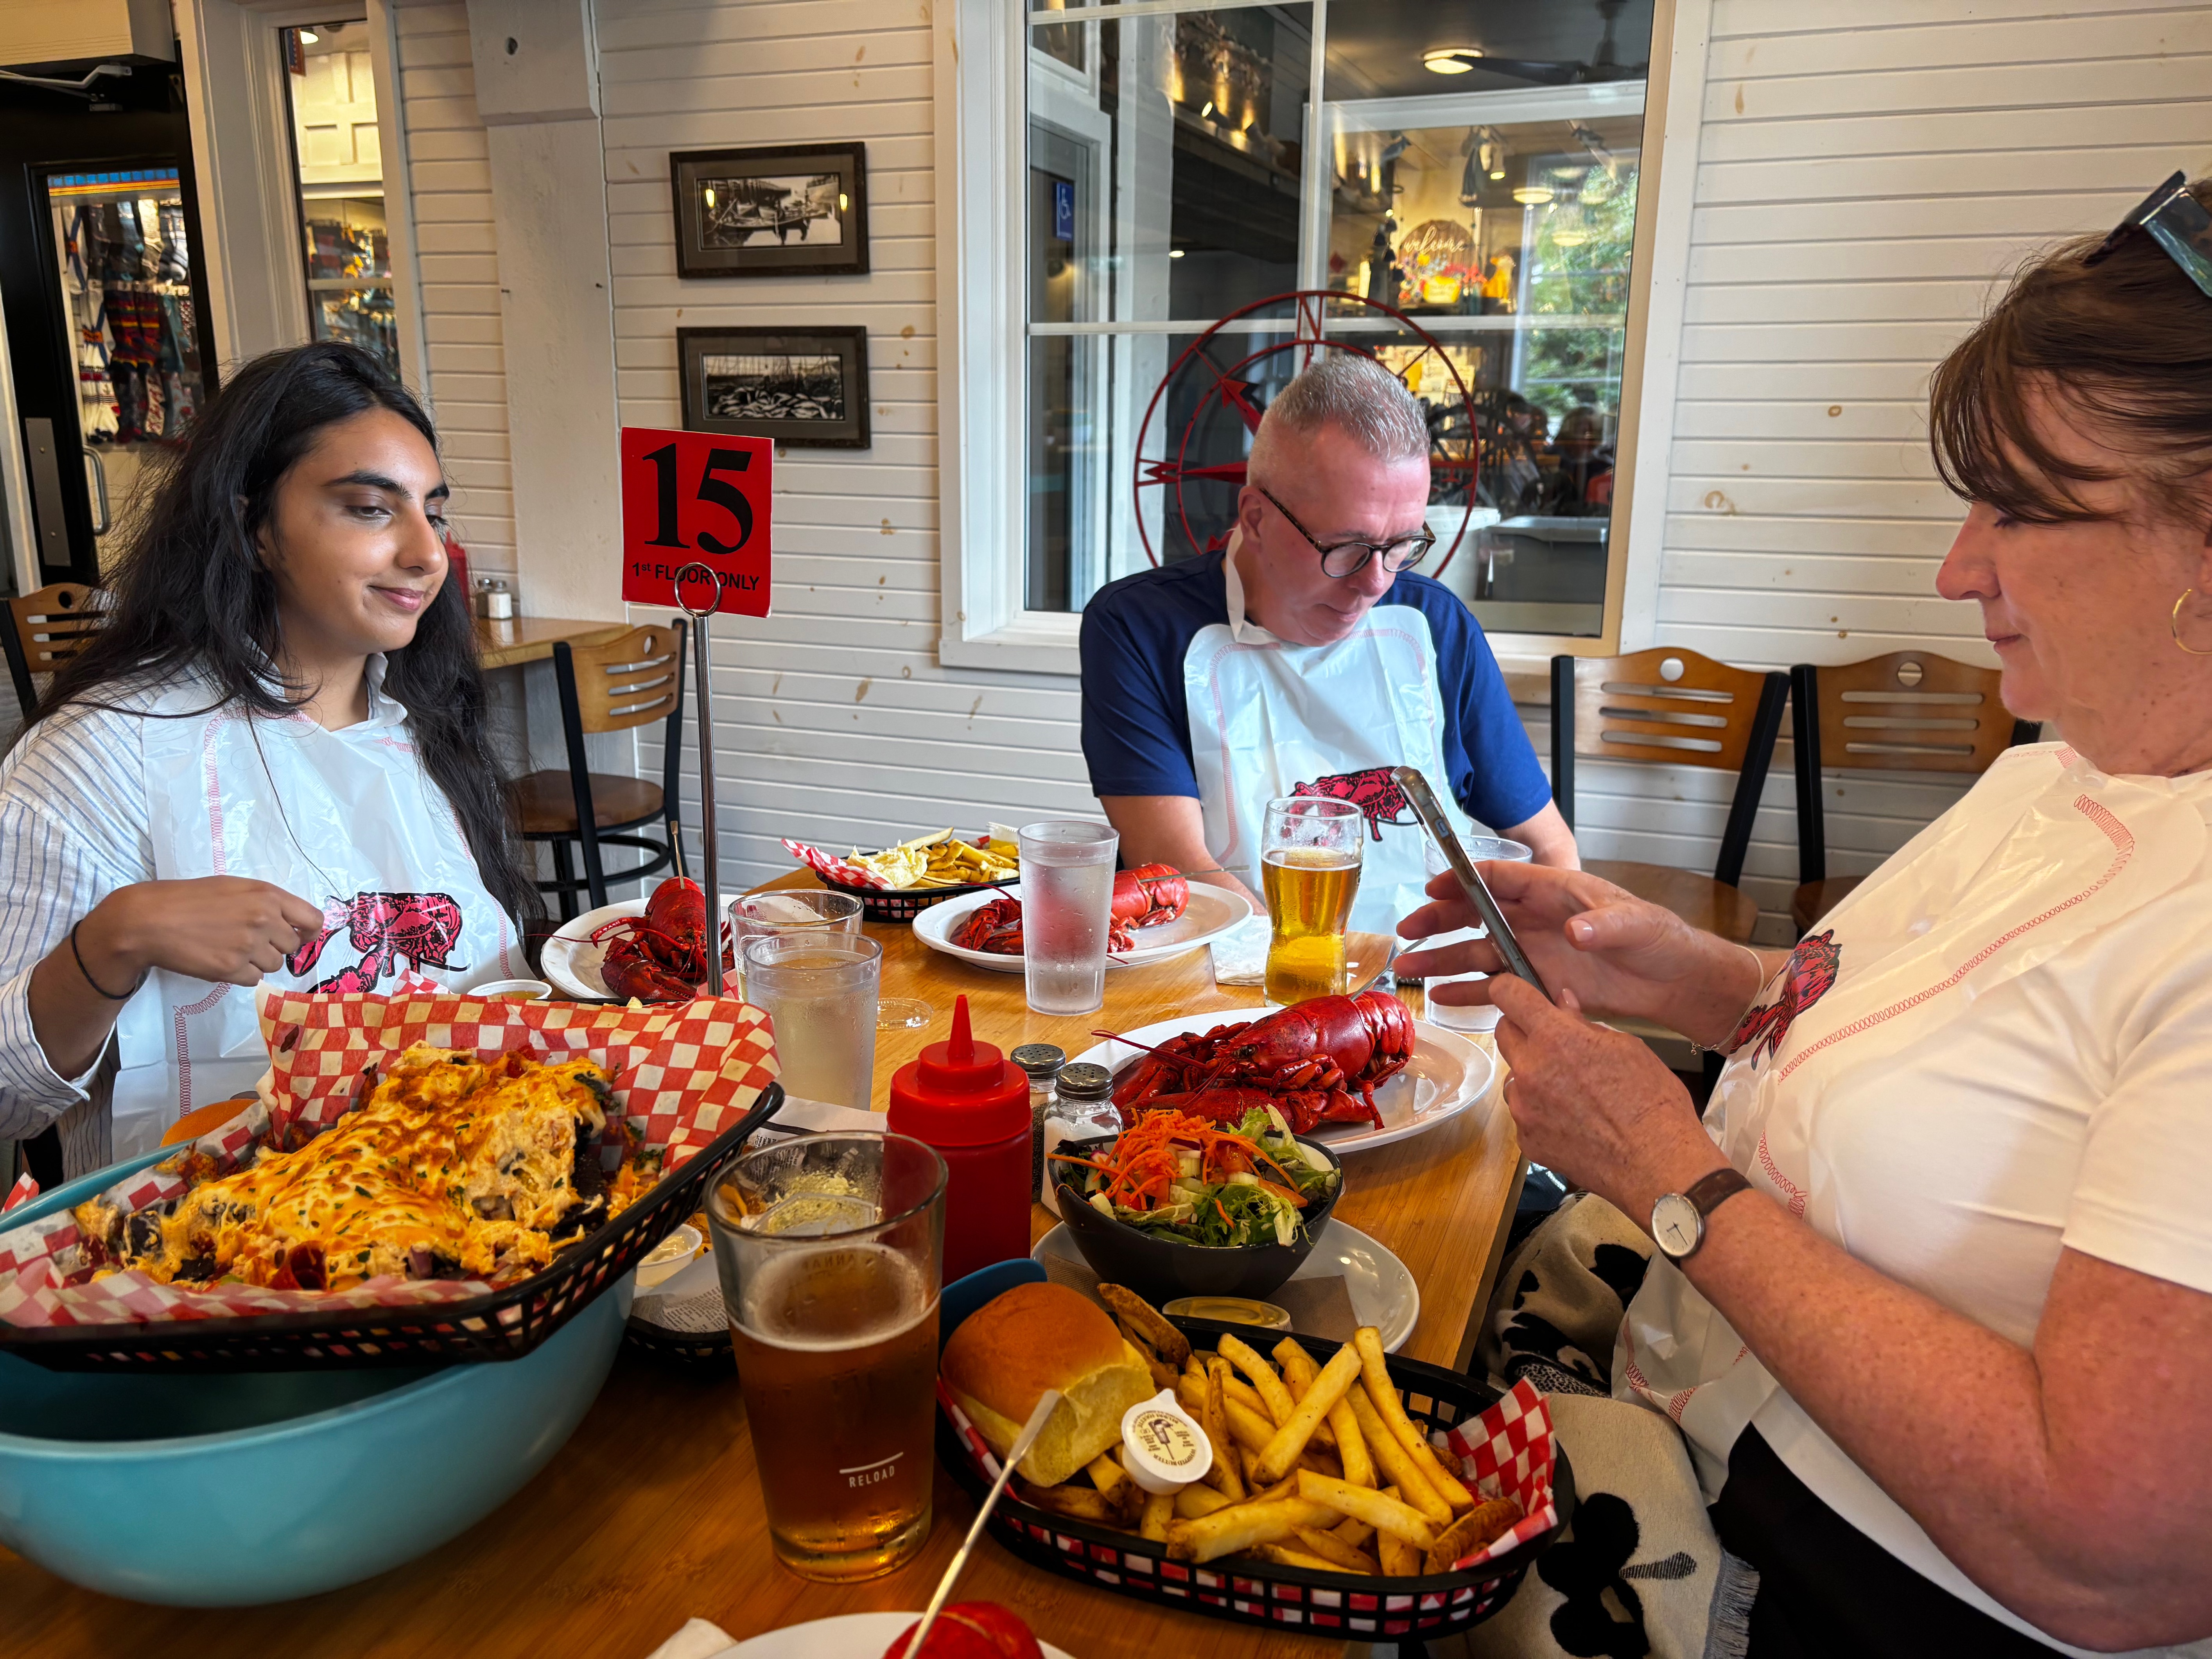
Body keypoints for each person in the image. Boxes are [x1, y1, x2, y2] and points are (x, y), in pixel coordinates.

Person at [1399, 176, 2212, 1654]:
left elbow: (2107, 1552)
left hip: (1818, 1579)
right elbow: (1930, 1013)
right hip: (1676, 1385)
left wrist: (1672, 1173)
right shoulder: (2074, 755)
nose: (1953, 568)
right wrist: (1696, 974)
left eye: (2020, 508)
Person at [0, 342, 538, 1178]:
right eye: (370, 508)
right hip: (220, 1266)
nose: (427, 553)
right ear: (255, 526)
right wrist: (117, 938)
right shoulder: (101, 752)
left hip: (459, 1219)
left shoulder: (428, 731)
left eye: (433, 512)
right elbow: (6, 1096)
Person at [1080, 351, 1575, 934]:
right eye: (1345, 547)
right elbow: (1180, 870)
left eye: (1401, 545)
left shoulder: (1433, 624)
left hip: (1431, 972)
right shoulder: (1139, 627)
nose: (1376, 583)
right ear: (1257, 518)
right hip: (1237, 978)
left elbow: (1546, 849)